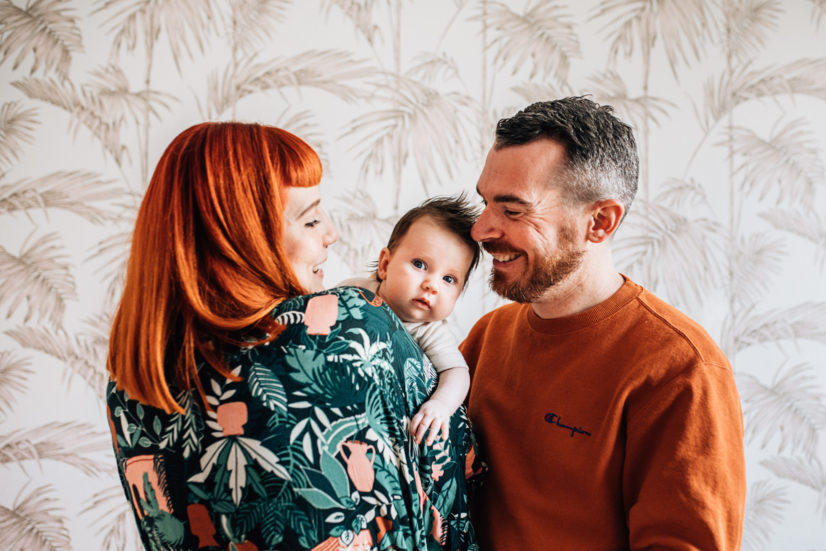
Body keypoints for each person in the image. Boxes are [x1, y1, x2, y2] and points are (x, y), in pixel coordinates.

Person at [105, 122, 478, 550]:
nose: (331, 233)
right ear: (244, 236)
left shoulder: (132, 378)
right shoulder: (345, 323)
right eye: (311, 219)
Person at [460, 97, 746, 550]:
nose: (481, 230)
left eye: (513, 210)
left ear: (600, 221)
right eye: (486, 203)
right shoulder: (486, 337)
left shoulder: (681, 369)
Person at [339, 196, 480, 446]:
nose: (432, 285)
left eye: (449, 279)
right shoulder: (354, 290)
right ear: (385, 265)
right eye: (420, 264)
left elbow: (457, 373)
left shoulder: (430, 331)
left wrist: (441, 404)